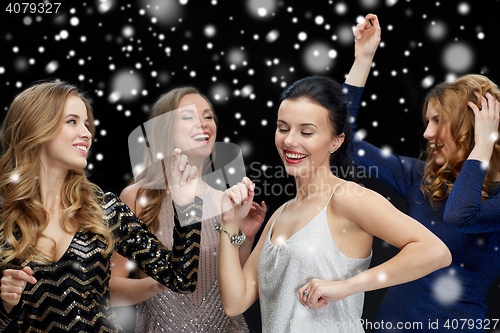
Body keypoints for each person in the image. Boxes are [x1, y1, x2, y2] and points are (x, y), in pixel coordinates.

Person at [216, 32, 452, 332]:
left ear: (336, 141)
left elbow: (435, 252)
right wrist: (229, 224)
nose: (290, 141)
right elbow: (234, 303)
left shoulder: (347, 197)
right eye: (282, 127)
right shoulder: (280, 214)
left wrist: (348, 286)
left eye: (307, 131)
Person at [0, 81, 204, 333]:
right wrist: (5, 304)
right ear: (36, 126)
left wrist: (187, 208)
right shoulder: (4, 219)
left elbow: (181, 279)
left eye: (87, 124)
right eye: (72, 121)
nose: (87, 133)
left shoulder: (105, 209)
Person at [345, 13, 500, 332]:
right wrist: (362, 60)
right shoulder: (419, 175)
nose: (427, 133)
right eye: (426, 121)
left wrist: (482, 147)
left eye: (438, 121)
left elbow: (460, 215)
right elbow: (344, 143)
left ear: (469, 127)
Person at [109, 87, 265, 332]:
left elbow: (229, 291)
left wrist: (245, 237)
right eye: (188, 116)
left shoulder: (225, 199)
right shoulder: (138, 197)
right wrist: (163, 281)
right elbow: (111, 290)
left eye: (208, 116)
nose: (203, 124)